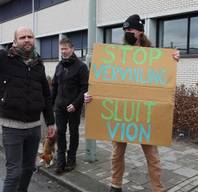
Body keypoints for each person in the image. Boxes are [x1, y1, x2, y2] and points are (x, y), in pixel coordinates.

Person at [84, 14, 180, 192]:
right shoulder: (116, 56)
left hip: (146, 114)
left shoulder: (154, 55)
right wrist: (91, 96)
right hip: (122, 114)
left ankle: (157, 188)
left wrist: (172, 59)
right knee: (116, 154)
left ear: (140, 32)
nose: (128, 32)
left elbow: (164, 78)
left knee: (152, 156)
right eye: (125, 30)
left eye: (131, 29)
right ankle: (115, 185)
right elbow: (106, 82)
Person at [0, 26, 55, 192]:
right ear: (15, 41)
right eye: (22, 37)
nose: (26, 40)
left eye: (29, 37)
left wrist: (50, 122)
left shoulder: (39, 63)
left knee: (28, 168)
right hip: (12, 127)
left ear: (34, 40)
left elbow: (46, 95)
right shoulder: (4, 58)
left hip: (34, 127)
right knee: (14, 172)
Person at [52, 37, 89, 174]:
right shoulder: (59, 66)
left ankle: (71, 159)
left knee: (74, 133)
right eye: (61, 49)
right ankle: (61, 161)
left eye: (66, 49)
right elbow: (55, 87)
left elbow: (85, 89)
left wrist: (75, 104)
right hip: (60, 107)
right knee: (60, 132)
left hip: (74, 107)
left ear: (72, 49)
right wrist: (51, 105)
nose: (64, 51)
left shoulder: (81, 66)